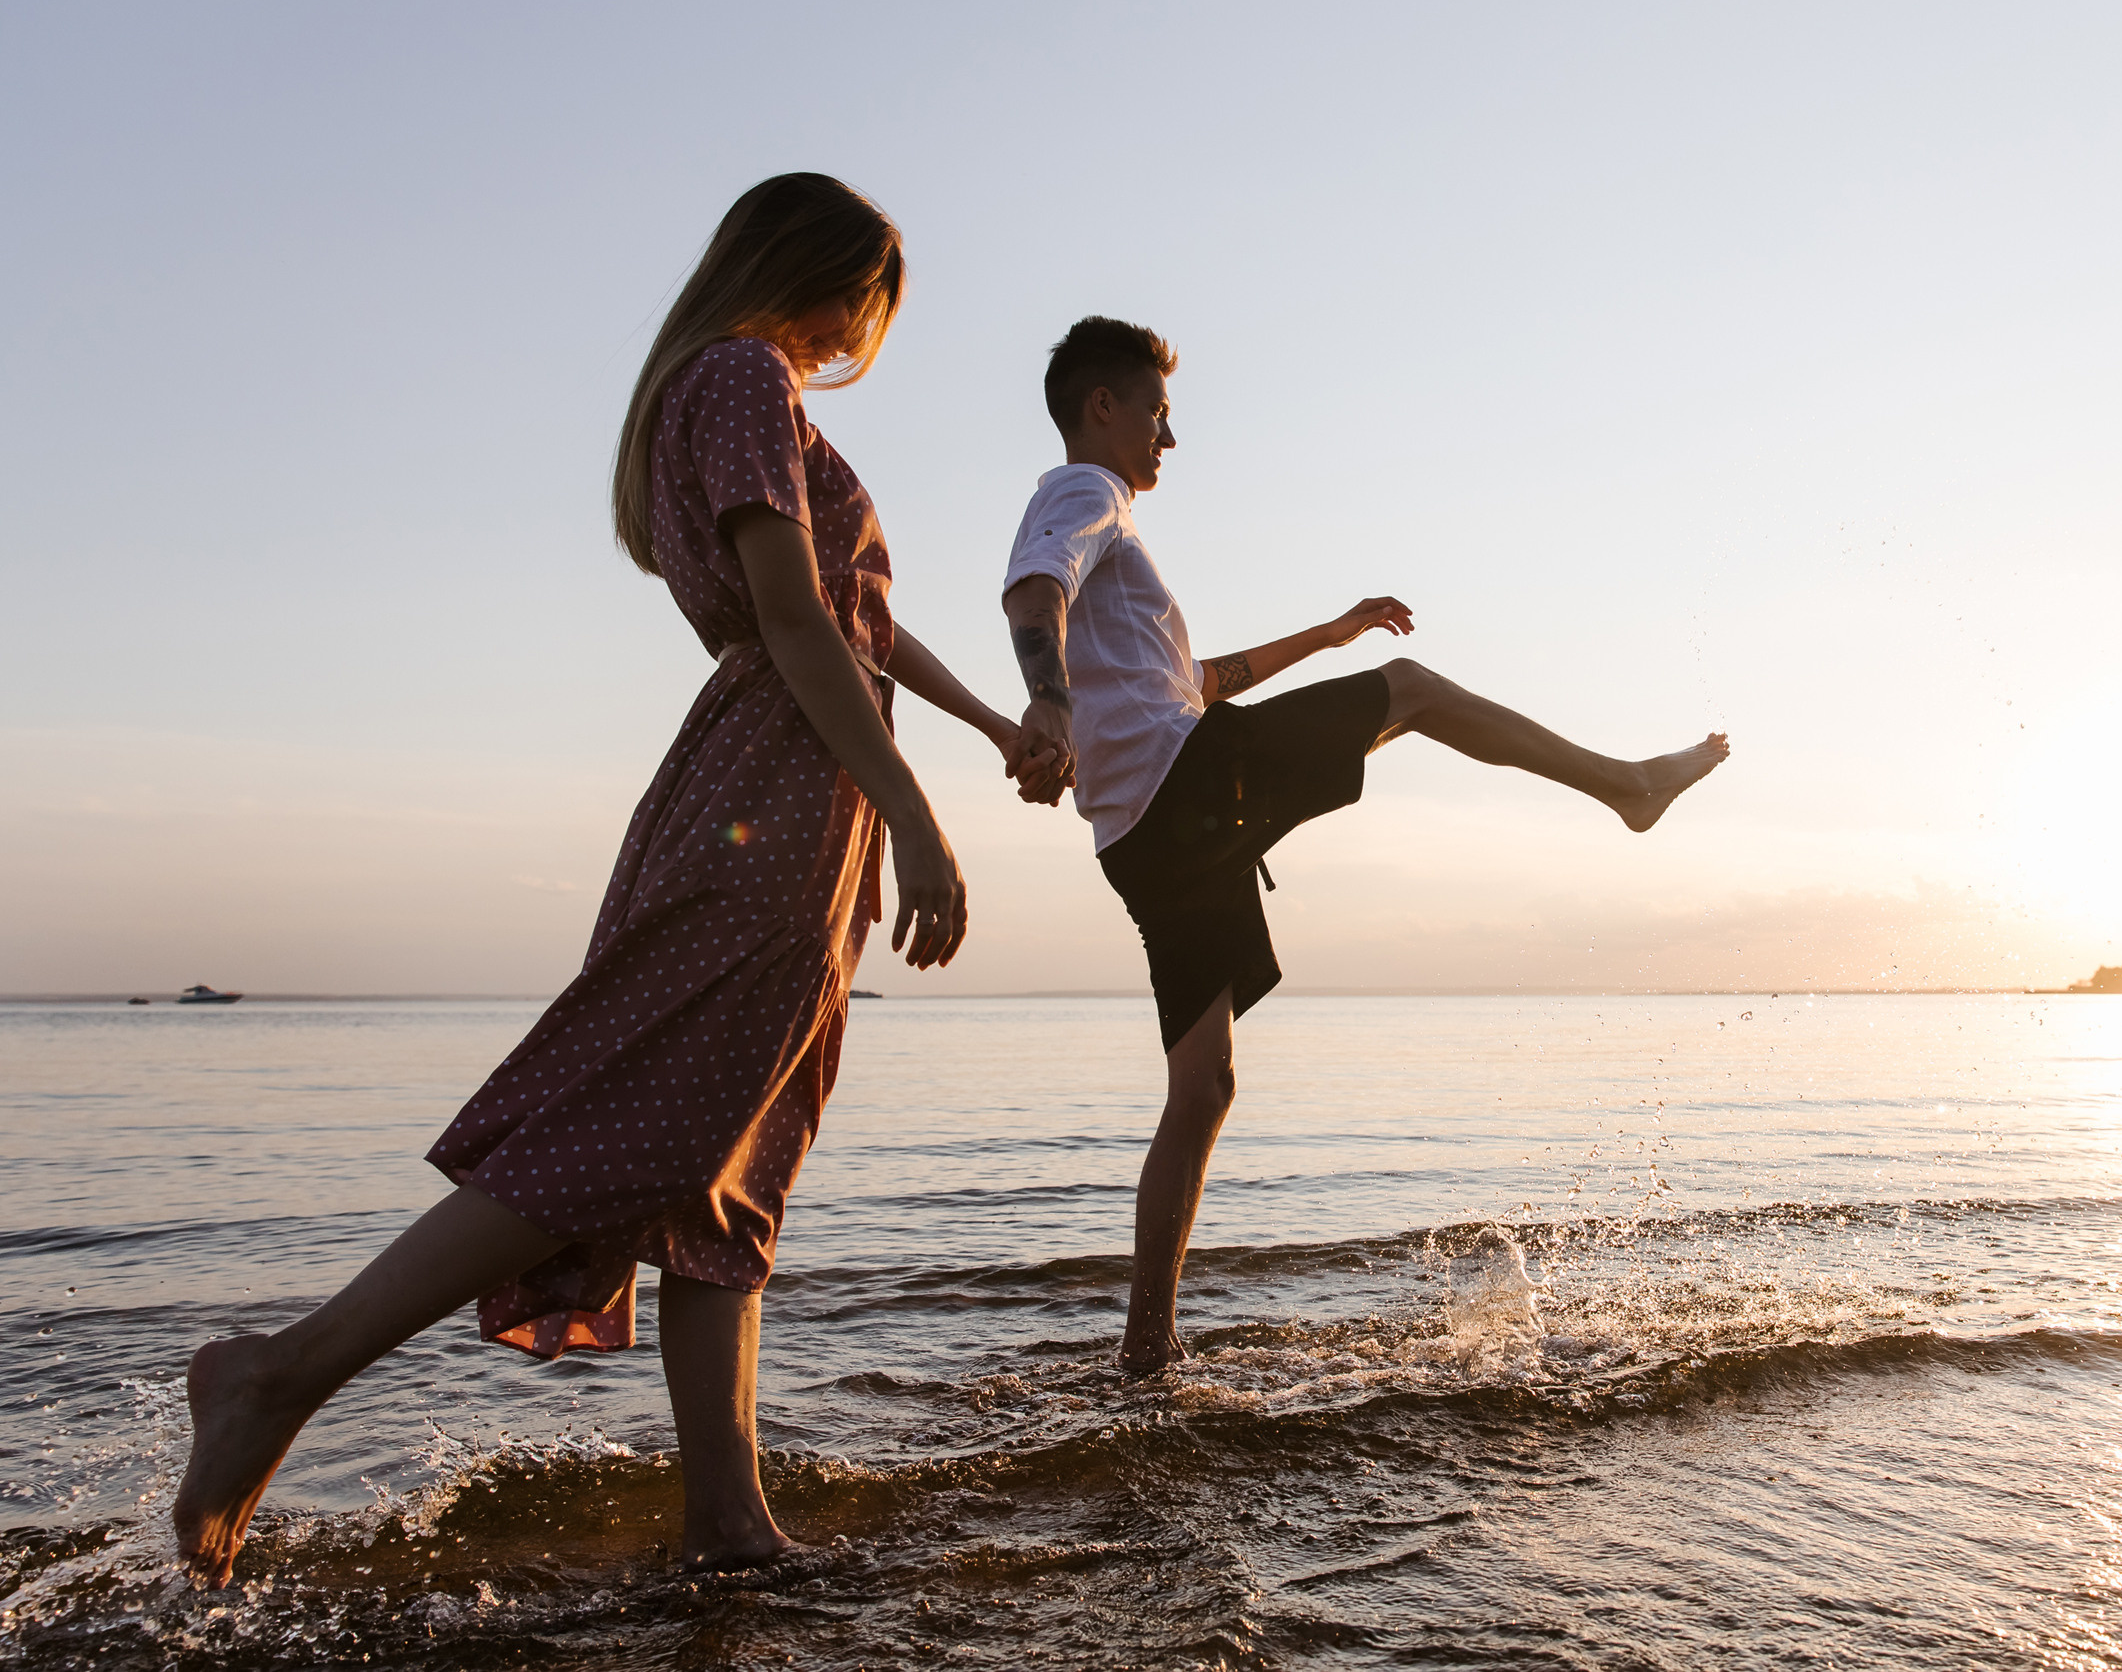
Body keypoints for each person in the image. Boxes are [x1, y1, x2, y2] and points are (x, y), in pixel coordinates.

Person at [173, 173, 1059, 1585]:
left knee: (728, 1175)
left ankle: (726, 1516)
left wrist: (994, 730)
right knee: (636, 1125)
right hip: (773, 785)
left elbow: (859, 622)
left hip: (807, 789)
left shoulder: (759, 399)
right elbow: (790, 617)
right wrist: (918, 811)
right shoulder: (734, 379)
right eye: (867, 299)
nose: (862, 330)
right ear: (827, 280)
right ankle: (281, 1371)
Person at [999, 316, 1730, 1377]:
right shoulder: (1083, 496)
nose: (1170, 436)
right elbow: (1034, 590)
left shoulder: (1117, 559)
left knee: (1202, 1087)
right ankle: (1625, 786)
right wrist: (1048, 706)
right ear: (1101, 407)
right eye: (1156, 412)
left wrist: (1329, 633)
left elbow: (1203, 682)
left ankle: (1145, 1357)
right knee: (1414, 693)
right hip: (1184, 786)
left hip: (1144, 838)